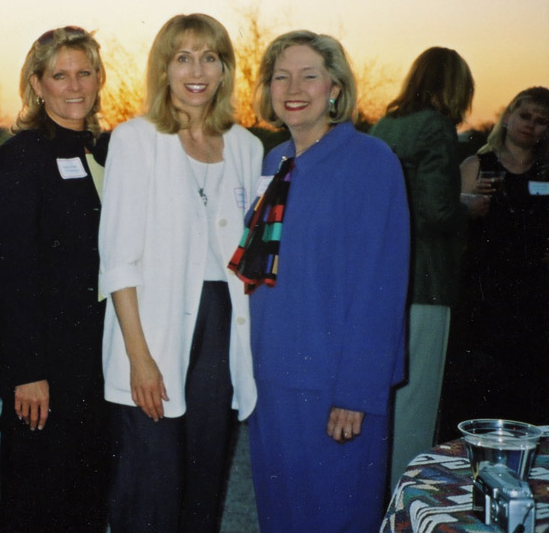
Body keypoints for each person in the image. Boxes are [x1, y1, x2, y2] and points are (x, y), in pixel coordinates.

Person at [231, 30, 409, 533]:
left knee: (335, 516)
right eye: (281, 77)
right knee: (280, 516)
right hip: (271, 378)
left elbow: (381, 286)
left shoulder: (371, 161)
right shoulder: (274, 162)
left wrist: (358, 391)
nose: (293, 88)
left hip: (333, 385)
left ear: (335, 87)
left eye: (309, 76)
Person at [99, 14, 262, 533]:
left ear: (225, 69)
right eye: (183, 58)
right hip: (153, 332)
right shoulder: (135, 139)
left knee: (202, 488)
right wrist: (140, 359)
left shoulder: (246, 147)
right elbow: (117, 261)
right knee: (149, 492)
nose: (197, 71)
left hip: (220, 334)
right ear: (163, 69)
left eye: (209, 58)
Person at [0, 26, 110, 532]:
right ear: (37, 84)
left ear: (99, 79)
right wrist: (26, 370)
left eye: (85, 73)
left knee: (88, 504)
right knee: (36, 504)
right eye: (60, 75)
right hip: (45, 367)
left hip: (101, 362)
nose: (74, 86)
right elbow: (12, 273)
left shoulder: (107, 152)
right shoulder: (21, 157)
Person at [368, 47, 479, 490]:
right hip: (428, 282)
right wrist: (467, 207)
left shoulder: (385, 125)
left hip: (386, 277)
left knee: (388, 399)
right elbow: (435, 212)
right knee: (416, 405)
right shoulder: (437, 128)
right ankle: (408, 503)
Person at [442, 86, 549, 428]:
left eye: (541, 121)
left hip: (534, 301)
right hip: (481, 298)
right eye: (525, 115)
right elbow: (449, 226)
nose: (531, 125)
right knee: (475, 393)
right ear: (507, 117)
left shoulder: (546, 174)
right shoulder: (476, 165)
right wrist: (468, 202)